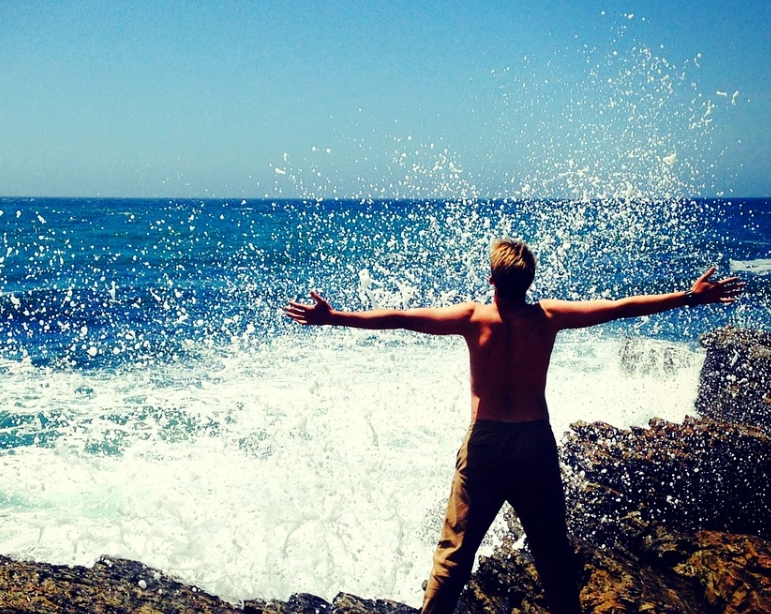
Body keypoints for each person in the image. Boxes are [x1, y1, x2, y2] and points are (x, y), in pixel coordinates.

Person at [283, 238, 744, 614]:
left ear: (491, 280)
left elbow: (400, 320)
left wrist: (333, 317)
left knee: (455, 555)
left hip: (485, 443)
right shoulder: (549, 318)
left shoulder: (472, 318)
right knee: (552, 556)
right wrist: (688, 296)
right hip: (534, 444)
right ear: (529, 281)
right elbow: (620, 307)